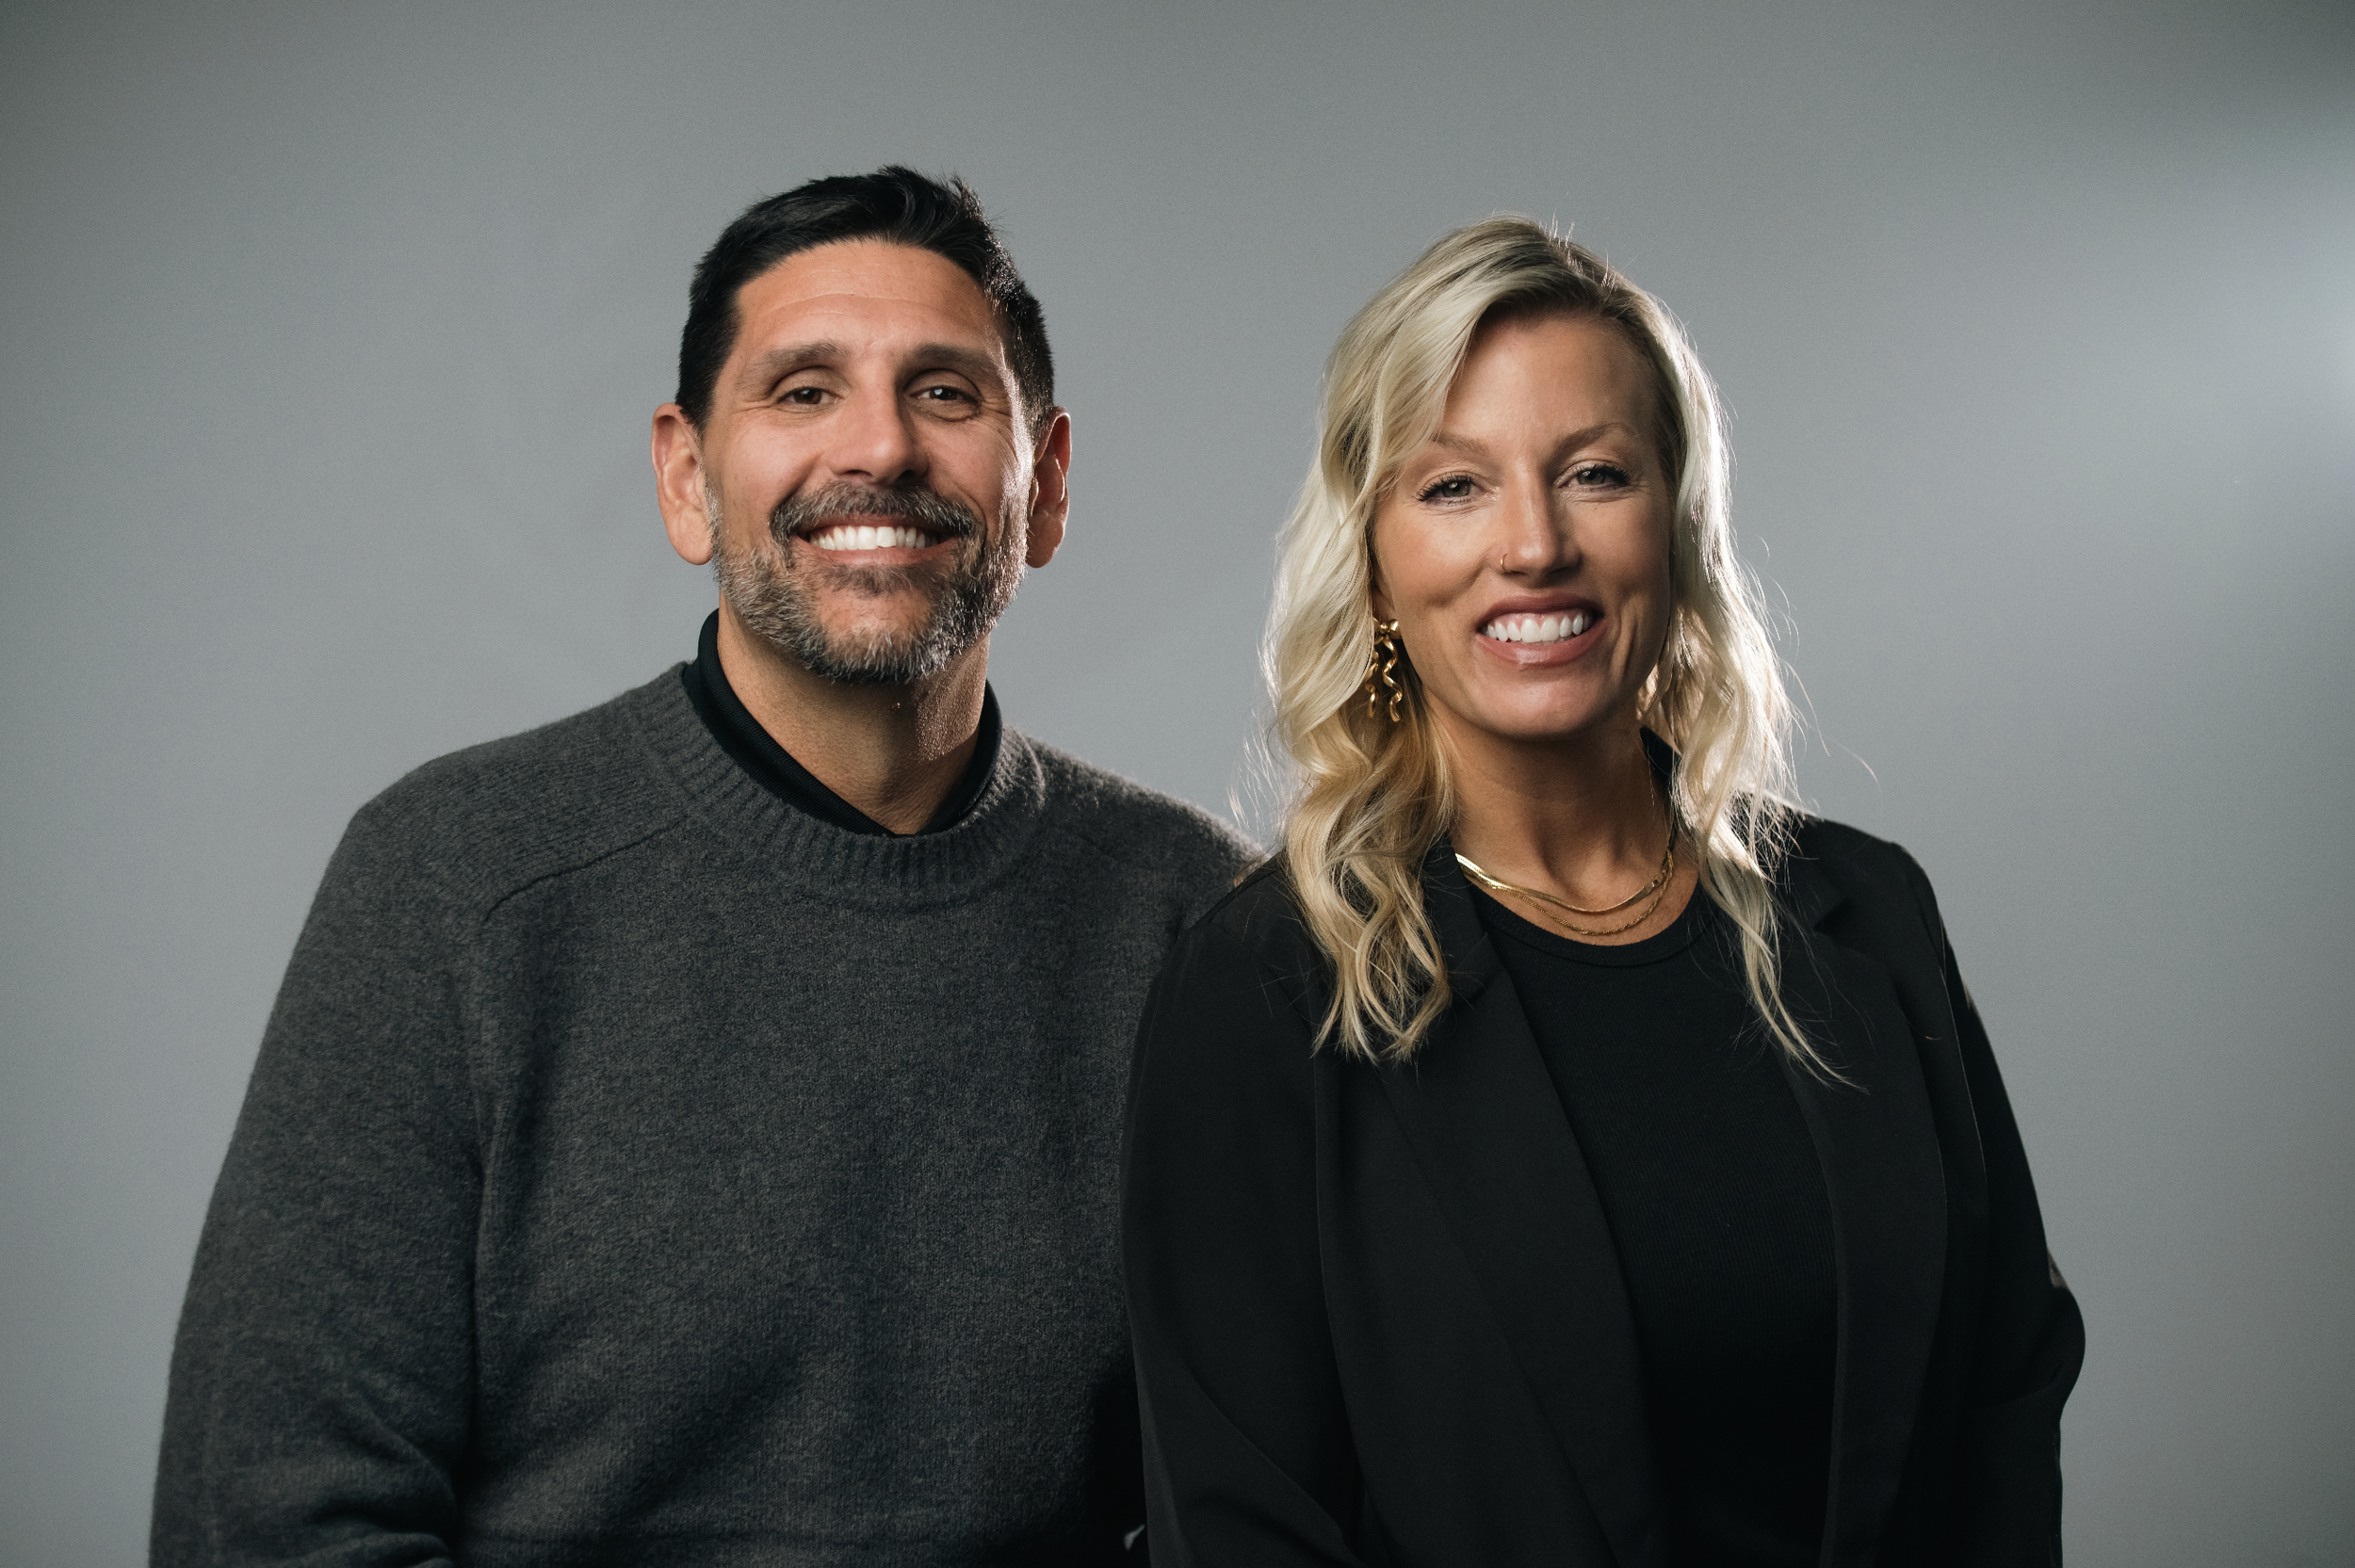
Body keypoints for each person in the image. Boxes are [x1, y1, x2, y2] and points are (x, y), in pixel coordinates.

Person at [153, 168, 1252, 1566]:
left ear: (1046, 486)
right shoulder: (453, 885)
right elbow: (272, 1524)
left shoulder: (1195, 920)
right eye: (801, 390)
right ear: (686, 476)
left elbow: (1260, 1505)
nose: (880, 450)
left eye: (948, 393)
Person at [1120, 218, 2084, 1566]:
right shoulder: (1270, 986)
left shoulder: (1868, 917)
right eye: (1454, 487)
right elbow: (1241, 1523)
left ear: (1678, 528)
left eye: (1594, 473)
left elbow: (2001, 1397)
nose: (1533, 546)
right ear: (1377, 563)